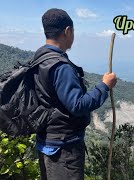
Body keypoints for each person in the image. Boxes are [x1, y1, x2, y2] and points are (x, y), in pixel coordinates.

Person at [34, 8, 117, 180]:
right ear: (67, 31)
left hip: (46, 143)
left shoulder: (40, 59)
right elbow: (77, 105)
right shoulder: (60, 66)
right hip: (63, 149)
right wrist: (104, 86)